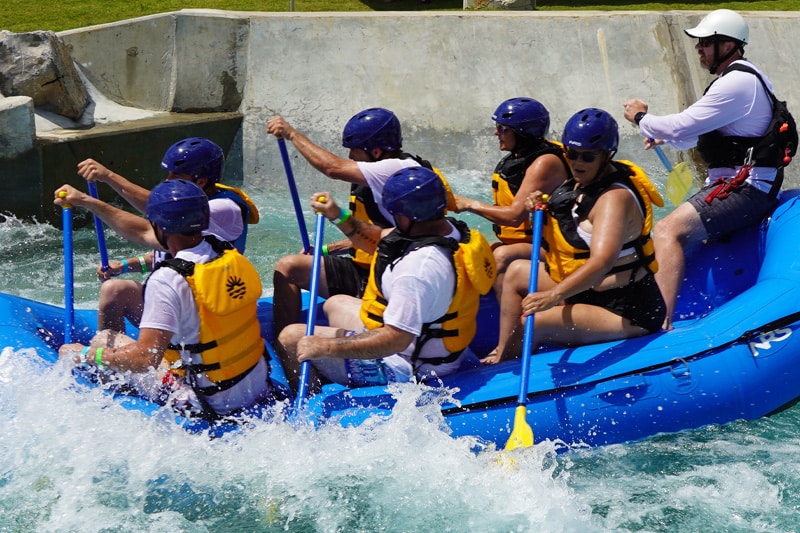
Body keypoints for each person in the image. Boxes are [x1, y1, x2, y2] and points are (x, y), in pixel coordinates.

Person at [623, 9, 789, 330]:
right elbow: (690, 135)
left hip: (748, 189)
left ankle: (659, 322)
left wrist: (643, 118)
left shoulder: (738, 83)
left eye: (704, 43)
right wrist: (663, 135)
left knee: (666, 230)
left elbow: (682, 124)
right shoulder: (733, 80)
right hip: (740, 185)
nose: (698, 49)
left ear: (727, 44)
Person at [59, 180, 274, 419]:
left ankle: (118, 396)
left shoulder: (168, 279)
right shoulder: (223, 249)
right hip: (255, 387)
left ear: (159, 226)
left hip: (206, 403)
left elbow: (145, 359)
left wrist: (85, 354)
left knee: (102, 340)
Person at [275, 166, 496, 393]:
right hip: (423, 342)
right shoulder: (446, 230)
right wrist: (337, 215)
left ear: (408, 216)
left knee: (291, 338)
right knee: (336, 303)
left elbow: (394, 340)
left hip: (407, 367)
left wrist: (326, 347)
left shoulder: (418, 270)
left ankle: (309, 402)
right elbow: (377, 239)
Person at [487, 109, 666, 363]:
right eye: (571, 154)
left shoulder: (614, 199)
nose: (577, 162)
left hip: (623, 307)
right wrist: (539, 205)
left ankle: (505, 371)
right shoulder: (579, 182)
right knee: (515, 272)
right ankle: (502, 353)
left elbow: (601, 262)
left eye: (587, 156)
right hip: (589, 291)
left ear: (606, 155)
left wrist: (554, 295)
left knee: (533, 321)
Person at [266, 108, 454, 336]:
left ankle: (294, 342)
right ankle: (282, 345)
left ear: (376, 151)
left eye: (355, 152)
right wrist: (327, 249)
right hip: (367, 268)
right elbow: (382, 234)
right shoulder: (384, 172)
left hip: (389, 275)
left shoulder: (397, 169)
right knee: (288, 267)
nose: (350, 158)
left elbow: (332, 168)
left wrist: (291, 133)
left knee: (334, 305)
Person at [59, 137, 258, 333]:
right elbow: (172, 254)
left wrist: (94, 193)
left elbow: (147, 227)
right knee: (114, 289)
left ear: (202, 181)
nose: (167, 180)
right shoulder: (193, 227)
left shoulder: (222, 209)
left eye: (176, 175)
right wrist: (126, 265)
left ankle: (107, 354)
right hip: (183, 297)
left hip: (203, 313)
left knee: (109, 322)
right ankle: (113, 364)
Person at [452, 97, 569, 298]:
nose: (496, 132)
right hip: (529, 243)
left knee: (501, 255)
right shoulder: (520, 158)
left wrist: (468, 204)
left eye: (503, 128)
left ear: (523, 134)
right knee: (477, 252)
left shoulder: (544, 162)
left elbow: (514, 217)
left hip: (554, 248)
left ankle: (507, 322)